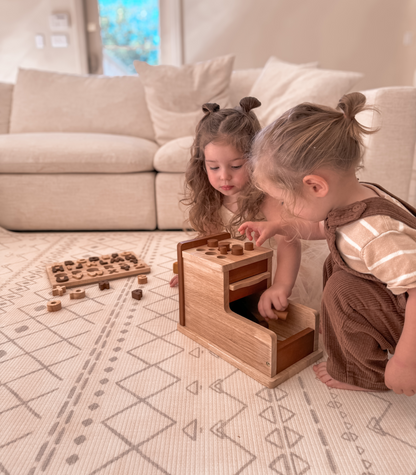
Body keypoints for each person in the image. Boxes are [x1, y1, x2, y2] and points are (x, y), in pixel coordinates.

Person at [239, 92, 416, 396]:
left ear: (315, 186)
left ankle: (361, 374)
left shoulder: (377, 234)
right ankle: (348, 336)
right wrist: (278, 225)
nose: (284, 208)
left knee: (342, 291)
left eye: (285, 202)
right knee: (335, 265)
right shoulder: (351, 198)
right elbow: (324, 228)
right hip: (394, 297)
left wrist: (405, 362)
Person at [170, 97, 303, 322]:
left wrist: (281, 285)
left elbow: (289, 240)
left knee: (274, 314)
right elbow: (209, 240)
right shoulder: (211, 197)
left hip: (270, 270)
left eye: (236, 166)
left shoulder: (267, 197)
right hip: (233, 272)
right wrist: (191, 269)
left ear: (256, 159)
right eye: (213, 167)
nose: (224, 176)